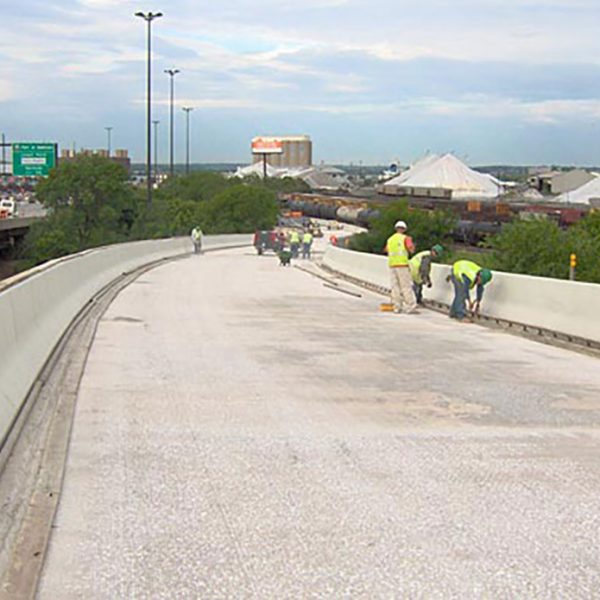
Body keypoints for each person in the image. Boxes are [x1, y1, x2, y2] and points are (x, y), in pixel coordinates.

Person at [385, 220, 417, 314]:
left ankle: (396, 307)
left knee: (395, 287)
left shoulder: (390, 239)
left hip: (392, 265)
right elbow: (411, 249)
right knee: (405, 286)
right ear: (404, 229)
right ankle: (410, 306)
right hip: (402, 265)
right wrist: (413, 247)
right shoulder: (406, 238)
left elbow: (387, 250)